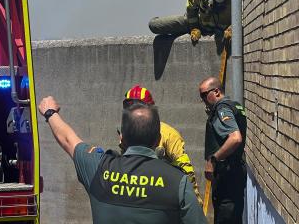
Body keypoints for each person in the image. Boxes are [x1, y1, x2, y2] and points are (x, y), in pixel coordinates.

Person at [39, 96, 206, 224]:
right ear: (158, 139)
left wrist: (50, 112)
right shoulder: (178, 182)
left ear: (121, 137)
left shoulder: (98, 167)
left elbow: (69, 139)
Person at [121, 85, 202, 204]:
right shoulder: (127, 133)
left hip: (164, 195)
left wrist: (192, 202)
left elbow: (186, 169)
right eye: (129, 107)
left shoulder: (168, 134)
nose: (133, 111)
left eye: (138, 106)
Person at [198, 77, 246, 224]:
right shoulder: (234, 105)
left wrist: (213, 160)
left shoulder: (222, 108)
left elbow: (235, 138)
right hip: (233, 173)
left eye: (204, 95)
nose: (203, 100)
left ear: (217, 91)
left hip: (227, 176)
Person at [148, 0, 232, 50]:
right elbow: (191, 9)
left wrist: (231, 29)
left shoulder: (234, 0)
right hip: (195, 24)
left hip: (218, 31)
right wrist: (194, 28)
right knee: (154, 25)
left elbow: (241, 19)